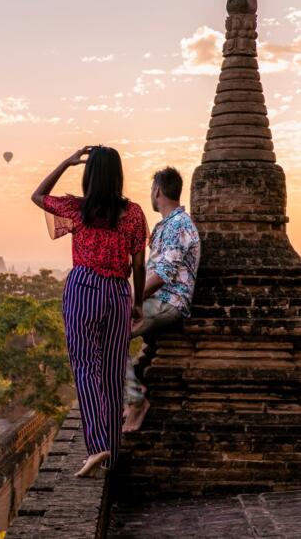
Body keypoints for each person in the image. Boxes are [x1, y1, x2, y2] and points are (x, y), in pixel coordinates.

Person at [32, 146, 147, 478]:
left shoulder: (78, 209)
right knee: (112, 376)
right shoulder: (135, 213)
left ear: (89, 174)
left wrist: (65, 162)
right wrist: (137, 302)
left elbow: (38, 195)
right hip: (118, 293)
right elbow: (138, 264)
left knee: (86, 369)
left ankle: (98, 447)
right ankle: (110, 456)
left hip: (83, 287)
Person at [122, 167, 200, 432]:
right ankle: (133, 390)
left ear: (157, 190)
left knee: (107, 333)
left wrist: (134, 301)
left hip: (169, 300)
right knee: (106, 328)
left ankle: (135, 400)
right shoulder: (166, 225)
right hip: (159, 299)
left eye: (151, 189)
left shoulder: (178, 225)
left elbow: (163, 275)